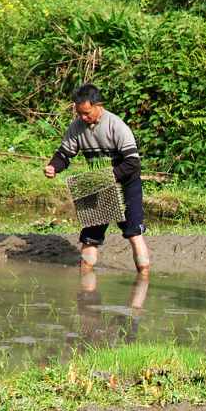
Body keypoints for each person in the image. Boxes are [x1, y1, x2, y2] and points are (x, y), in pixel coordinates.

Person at [45, 83, 151, 276]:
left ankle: (143, 281)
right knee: (90, 237)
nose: (83, 118)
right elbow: (65, 154)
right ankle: (85, 288)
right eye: (79, 114)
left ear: (98, 105)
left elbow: (132, 163)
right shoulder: (77, 127)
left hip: (126, 184)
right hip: (98, 182)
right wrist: (54, 167)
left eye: (86, 113)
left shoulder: (116, 125)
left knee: (133, 233)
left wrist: (110, 177)